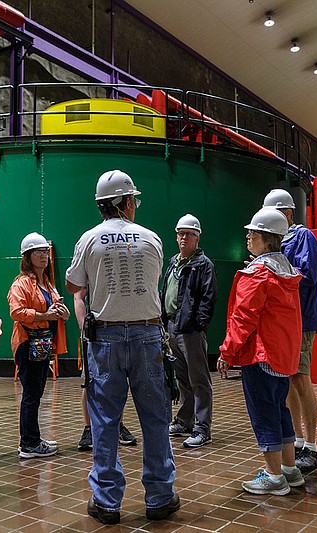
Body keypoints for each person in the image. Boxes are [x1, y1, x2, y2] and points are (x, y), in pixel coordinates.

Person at [66, 169, 179, 525]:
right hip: (148, 337)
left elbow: (74, 285)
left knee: (104, 420)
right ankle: (160, 497)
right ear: (128, 202)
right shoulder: (151, 238)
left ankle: (106, 501)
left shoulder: (88, 239)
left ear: (101, 205)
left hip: (106, 339)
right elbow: (153, 279)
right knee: (156, 418)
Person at [217, 208, 305, 496]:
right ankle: (290, 470)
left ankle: (273, 476)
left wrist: (227, 352)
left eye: (252, 233)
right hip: (283, 356)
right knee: (280, 410)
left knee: (263, 413)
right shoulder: (287, 272)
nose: (247, 237)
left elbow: (243, 318)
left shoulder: (256, 275)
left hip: (260, 354)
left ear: (266, 239)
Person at [262, 189, 317, 472]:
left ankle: (312, 445)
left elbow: (306, 275)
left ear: (288, 213)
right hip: (286, 319)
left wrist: (271, 273)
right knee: (288, 377)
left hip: (301, 319)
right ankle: (298, 439)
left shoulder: (303, 237)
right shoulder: (284, 239)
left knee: (300, 376)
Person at [8, 232, 70, 459]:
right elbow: (16, 312)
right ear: (28, 256)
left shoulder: (47, 283)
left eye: (45, 252)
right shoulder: (22, 283)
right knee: (31, 394)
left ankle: (33, 439)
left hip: (43, 343)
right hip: (28, 343)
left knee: (36, 392)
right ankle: (28, 444)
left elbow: (55, 311)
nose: (44, 256)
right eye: (38, 252)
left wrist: (62, 313)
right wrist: (45, 314)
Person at [160, 214, 217, 448]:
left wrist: (198, 325)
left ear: (197, 238)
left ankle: (203, 428)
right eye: (180, 234)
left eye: (188, 234)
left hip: (190, 330)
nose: (183, 238)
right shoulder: (174, 262)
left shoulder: (203, 265)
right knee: (182, 378)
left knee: (199, 380)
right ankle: (184, 421)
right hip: (172, 327)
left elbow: (208, 298)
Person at [75, 288, 138, 451]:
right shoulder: (91, 265)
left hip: (122, 330)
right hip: (96, 332)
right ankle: (88, 427)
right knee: (89, 381)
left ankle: (119, 426)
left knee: (119, 380)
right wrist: (85, 329)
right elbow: (78, 297)